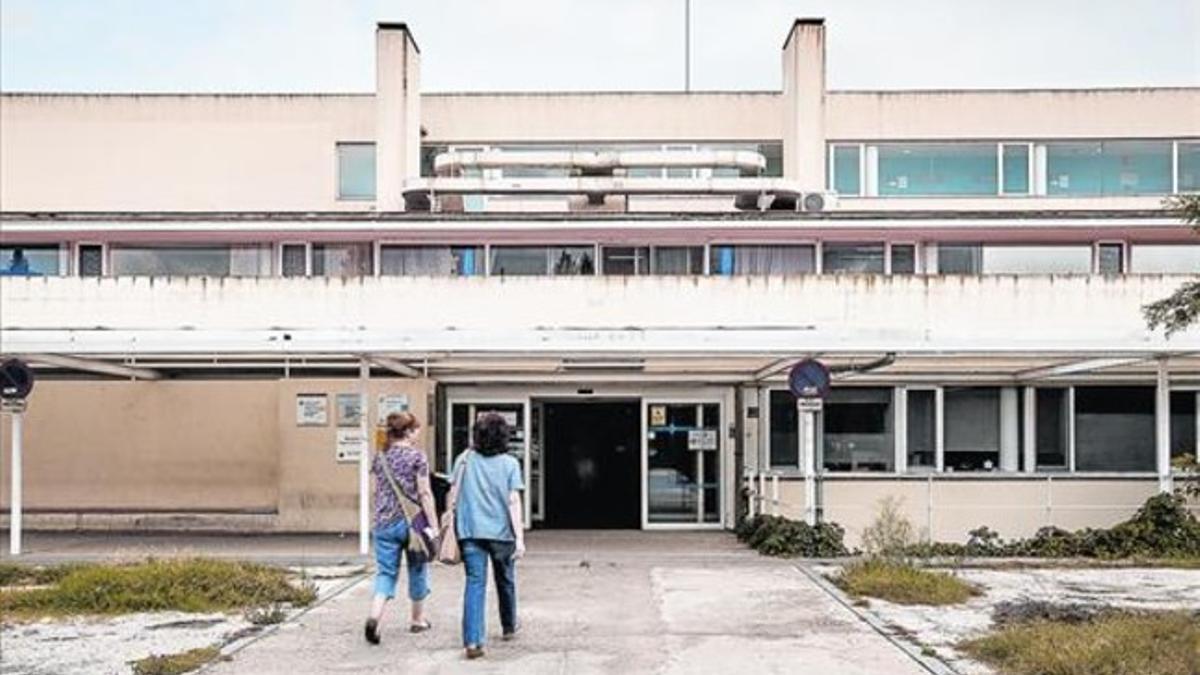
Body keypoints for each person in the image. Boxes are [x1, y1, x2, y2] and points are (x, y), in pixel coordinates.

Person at [453, 412, 526, 659]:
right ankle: (508, 625)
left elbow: (453, 492)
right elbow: (513, 501)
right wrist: (520, 538)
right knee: (505, 579)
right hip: (502, 533)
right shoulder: (510, 464)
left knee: (475, 583)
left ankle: (473, 641)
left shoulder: (463, 460)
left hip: (470, 531)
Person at [365, 411, 440, 645]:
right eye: (416, 428)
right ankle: (417, 620)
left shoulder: (380, 457)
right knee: (418, 568)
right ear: (407, 432)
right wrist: (434, 525)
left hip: (384, 522)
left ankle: (374, 616)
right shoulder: (417, 457)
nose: (418, 433)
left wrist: (376, 517)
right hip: (413, 523)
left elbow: (375, 491)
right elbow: (425, 493)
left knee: (386, 573)